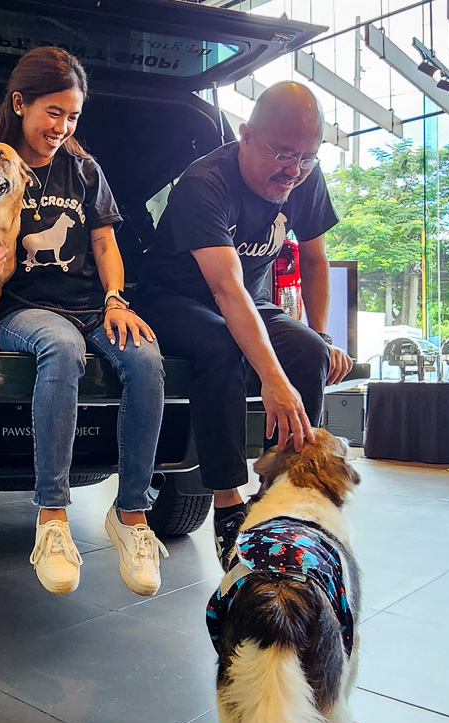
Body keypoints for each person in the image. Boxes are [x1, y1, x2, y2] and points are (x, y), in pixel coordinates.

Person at [0, 47, 168, 594]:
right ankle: (52, 519)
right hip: (23, 308)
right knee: (62, 348)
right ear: (20, 104)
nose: (62, 128)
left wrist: (116, 299)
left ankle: (132, 514)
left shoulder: (85, 170)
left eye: (73, 117)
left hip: (91, 306)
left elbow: (105, 244)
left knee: (146, 360)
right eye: (53, 113)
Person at [135, 82, 354, 561]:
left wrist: (321, 334)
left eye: (307, 158)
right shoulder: (204, 183)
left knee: (309, 351)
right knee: (220, 343)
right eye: (283, 154)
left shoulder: (305, 177)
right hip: (174, 297)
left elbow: (315, 259)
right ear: (246, 135)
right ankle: (228, 504)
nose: (293, 170)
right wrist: (273, 379)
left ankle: (279, 492)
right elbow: (225, 289)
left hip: (247, 300)